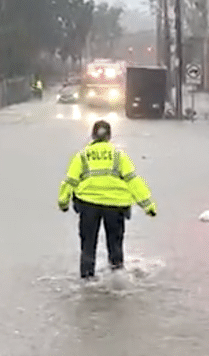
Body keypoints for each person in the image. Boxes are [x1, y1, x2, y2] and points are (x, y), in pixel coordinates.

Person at [58, 119, 157, 280]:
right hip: (115, 206)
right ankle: (117, 277)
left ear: (92, 135)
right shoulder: (119, 156)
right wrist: (148, 206)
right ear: (109, 136)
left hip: (88, 205)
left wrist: (63, 202)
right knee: (115, 244)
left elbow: (70, 181)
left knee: (88, 244)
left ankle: (87, 278)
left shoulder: (82, 156)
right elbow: (133, 181)